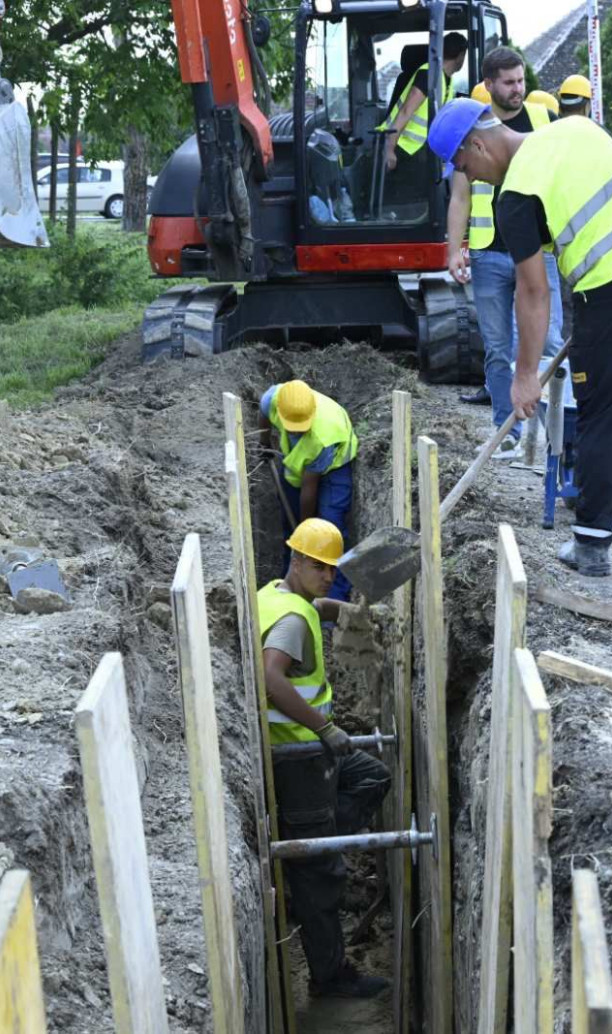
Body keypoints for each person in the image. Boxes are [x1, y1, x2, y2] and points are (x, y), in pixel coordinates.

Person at [428, 100, 612, 574]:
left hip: (611, 293)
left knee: (598, 415)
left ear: (478, 144)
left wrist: (524, 375)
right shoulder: (577, 128)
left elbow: (533, 291)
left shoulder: (515, 195)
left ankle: (591, 543)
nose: (471, 178)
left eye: (464, 166)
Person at [260, 518, 392, 1000]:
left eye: (332, 570)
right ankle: (330, 977)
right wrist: (325, 727)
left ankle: (317, 847)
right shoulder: (291, 621)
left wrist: (357, 614)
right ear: (295, 559)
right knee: (321, 875)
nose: (326, 576)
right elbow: (271, 676)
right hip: (298, 760)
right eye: (318, 567)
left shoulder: (277, 594)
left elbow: (316, 606)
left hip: (313, 753)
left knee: (372, 776)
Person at [446, 47, 563, 459]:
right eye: (510, 82)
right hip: (489, 253)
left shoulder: (543, 121)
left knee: (548, 341)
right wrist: (454, 249)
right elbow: (460, 196)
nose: (519, 89)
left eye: (521, 80)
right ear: (489, 84)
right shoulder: (472, 127)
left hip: (538, 249)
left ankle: (554, 434)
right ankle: (507, 430)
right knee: (497, 347)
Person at [259, 380, 359, 600]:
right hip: (299, 462)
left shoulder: (323, 437)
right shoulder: (272, 399)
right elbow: (263, 414)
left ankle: (333, 600)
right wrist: (263, 442)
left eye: (302, 426)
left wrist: (307, 530)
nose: (298, 431)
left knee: (330, 529)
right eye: (293, 427)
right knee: (291, 526)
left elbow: (309, 490)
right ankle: (292, 581)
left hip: (336, 464)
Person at [377, 33, 469, 184]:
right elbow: (406, 110)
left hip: (416, 150)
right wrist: (389, 148)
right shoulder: (428, 74)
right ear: (461, 56)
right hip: (400, 147)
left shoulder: (446, 79)